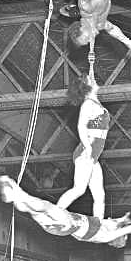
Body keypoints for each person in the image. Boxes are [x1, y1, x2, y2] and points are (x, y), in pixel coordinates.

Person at [0, 175, 131, 248]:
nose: (121, 230)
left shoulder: (105, 236)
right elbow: (117, 221)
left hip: (66, 226)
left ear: (117, 238)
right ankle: (15, 196)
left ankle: (17, 192)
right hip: (59, 226)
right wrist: (123, 218)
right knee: (33, 210)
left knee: (46, 206)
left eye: (122, 235)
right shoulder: (105, 225)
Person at [55, 74, 109, 218]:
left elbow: (89, 76)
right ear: (88, 86)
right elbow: (81, 126)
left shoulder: (94, 101)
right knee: (79, 189)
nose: (95, 79)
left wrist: (91, 53)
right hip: (87, 151)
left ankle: (99, 224)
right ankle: (55, 213)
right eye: (92, 80)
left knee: (100, 195)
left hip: (93, 156)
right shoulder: (88, 104)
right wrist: (88, 147)